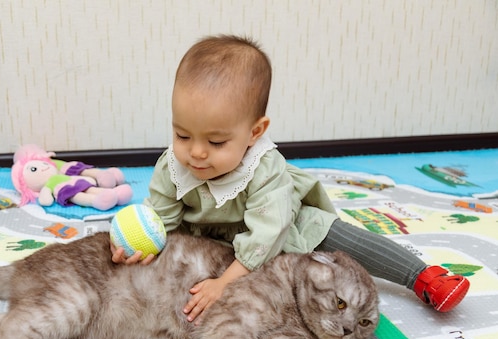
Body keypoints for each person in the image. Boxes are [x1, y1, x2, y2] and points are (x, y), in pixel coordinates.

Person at [111, 34, 470, 323]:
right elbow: (161, 217)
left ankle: (422, 277)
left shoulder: (265, 168)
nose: (196, 153)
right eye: (183, 135)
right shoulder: (174, 164)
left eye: (216, 141)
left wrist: (224, 283)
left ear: (255, 132)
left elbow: (269, 232)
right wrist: (140, 243)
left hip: (281, 226)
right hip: (216, 238)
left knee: (339, 239)